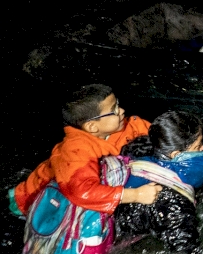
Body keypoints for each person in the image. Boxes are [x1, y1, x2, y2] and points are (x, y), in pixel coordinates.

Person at [8, 84, 162, 218]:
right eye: (113, 110)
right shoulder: (75, 150)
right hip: (34, 202)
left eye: (118, 104)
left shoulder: (128, 126)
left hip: (73, 186)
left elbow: (165, 138)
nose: (122, 111)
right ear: (92, 127)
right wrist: (136, 195)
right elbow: (82, 192)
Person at [115, 110, 203, 254]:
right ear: (176, 156)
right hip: (122, 245)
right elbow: (186, 251)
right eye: (197, 146)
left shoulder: (141, 149)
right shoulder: (171, 202)